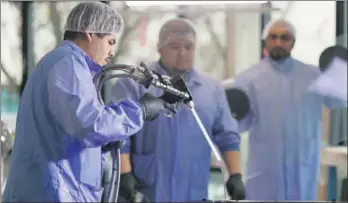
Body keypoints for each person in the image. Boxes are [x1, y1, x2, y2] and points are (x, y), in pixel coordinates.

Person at [2, 2, 174, 202]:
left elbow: (74, 129)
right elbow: (90, 125)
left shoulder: (64, 65)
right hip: (54, 194)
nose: (112, 52)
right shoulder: (68, 65)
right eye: (110, 42)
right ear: (90, 32)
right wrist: (140, 111)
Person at [111, 18, 246, 202]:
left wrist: (235, 175)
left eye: (189, 47)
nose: (183, 53)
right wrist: (124, 174)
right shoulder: (134, 84)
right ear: (160, 48)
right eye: (174, 47)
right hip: (145, 191)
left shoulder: (211, 90)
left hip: (194, 190)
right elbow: (120, 134)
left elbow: (228, 137)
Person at [228, 19, 347, 200]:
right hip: (266, 169)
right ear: (265, 41)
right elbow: (238, 123)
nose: (278, 42)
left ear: (293, 42)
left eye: (285, 38)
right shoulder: (247, 79)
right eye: (273, 37)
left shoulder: (313, 76)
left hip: (303, 167)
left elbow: (339, 99)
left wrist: (340, 71)